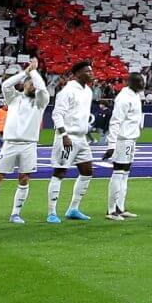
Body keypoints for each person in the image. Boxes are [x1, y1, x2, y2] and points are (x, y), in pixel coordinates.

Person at [0, 58, 49, 227]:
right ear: (24, 85)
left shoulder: (40, 102)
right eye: (30, 84)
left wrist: (34, 72)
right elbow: (6, 85)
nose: (34, 86)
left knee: (24, 179)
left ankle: (16, 213)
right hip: (10, 144)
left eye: (34, 84)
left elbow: (42, 88)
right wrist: (25, 72)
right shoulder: (14, 98)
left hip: (29, 145)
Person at [49, 64, 99, 224]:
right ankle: (51, 212)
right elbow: (57, 114)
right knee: (60, 172)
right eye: (87, 71)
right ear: (77, 74)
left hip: (82, 138)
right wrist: (64, 134)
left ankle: (73, 209)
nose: (91, 74)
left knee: (87, 171)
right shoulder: (67, 91)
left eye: (91, 71)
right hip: (67, 137)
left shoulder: (88, 91)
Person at [104, 73, 146, 220]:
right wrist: (112, 144)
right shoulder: (124, 98)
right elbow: (115, 121)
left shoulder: (135, 95)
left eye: (143, 81)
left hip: (130, 139)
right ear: (130, 83)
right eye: (139, 81)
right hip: (123, 139)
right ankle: (111, 211)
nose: (143, 84)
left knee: (125, 173)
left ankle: (120, 207)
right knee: (118, 172)